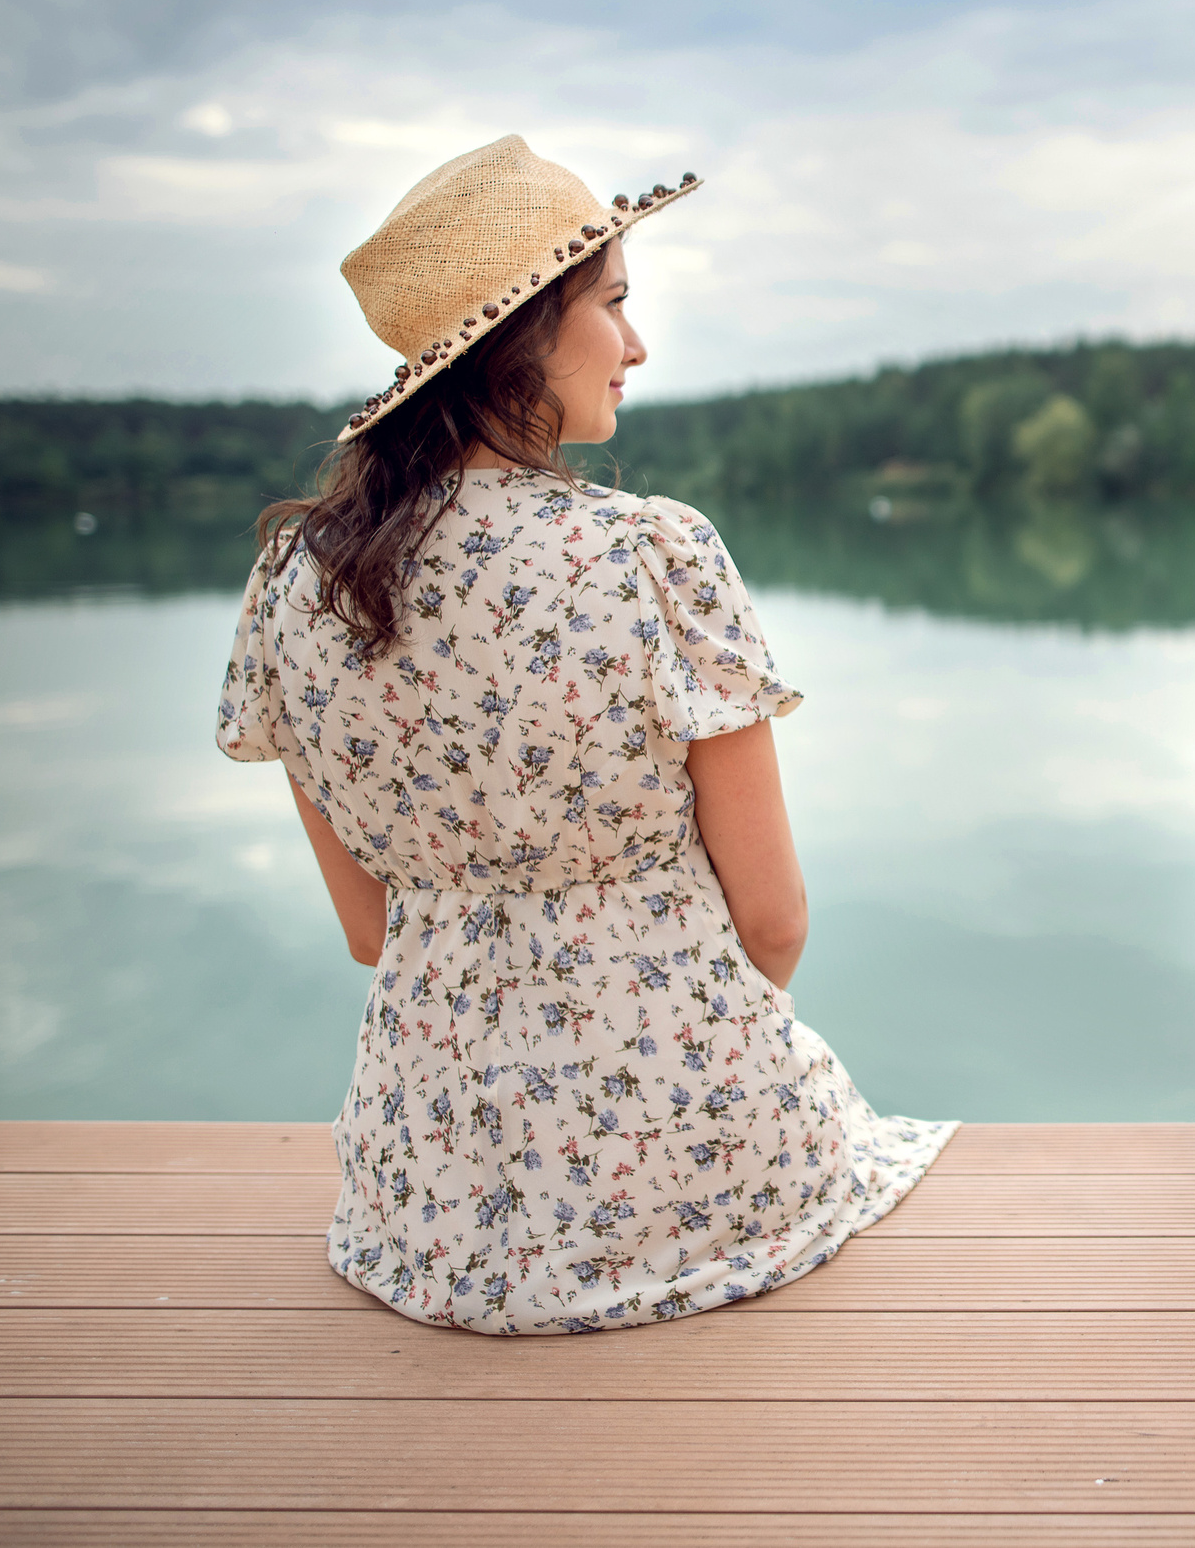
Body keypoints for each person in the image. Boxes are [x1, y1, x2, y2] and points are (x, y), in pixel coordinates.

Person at [216, 135, 953, 1333]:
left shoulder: (296, 583)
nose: (639, 344)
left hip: (424, 1201)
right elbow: (773, 923)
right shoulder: (646, 553)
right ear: (519, 342)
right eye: (613, 304)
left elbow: (371, 932)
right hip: (698, 1172)